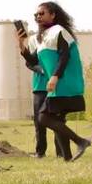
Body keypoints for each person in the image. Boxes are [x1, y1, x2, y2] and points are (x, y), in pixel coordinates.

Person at [29, 2, 91, 161]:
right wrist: (21, 45)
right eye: (36, 15)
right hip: (57, 86)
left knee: (43, 117)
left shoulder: (59, 31)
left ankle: (81, 141)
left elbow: (65, 56)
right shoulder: (42, 38)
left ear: (53, 15)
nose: (38, 17)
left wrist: (55, 76)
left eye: (42, 13)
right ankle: (68, 158)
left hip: (64, 83)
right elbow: (32, 60)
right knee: (55, 120)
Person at [16, 16, 68, 159]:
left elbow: (65, 61)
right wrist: (42, 69)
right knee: (39, 123)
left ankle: (61, 153)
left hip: (57, 88)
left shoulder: (60, 43)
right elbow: (29, 62)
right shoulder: (37, 42)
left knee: (58, 121)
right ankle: (40, 152)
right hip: (39, 88)